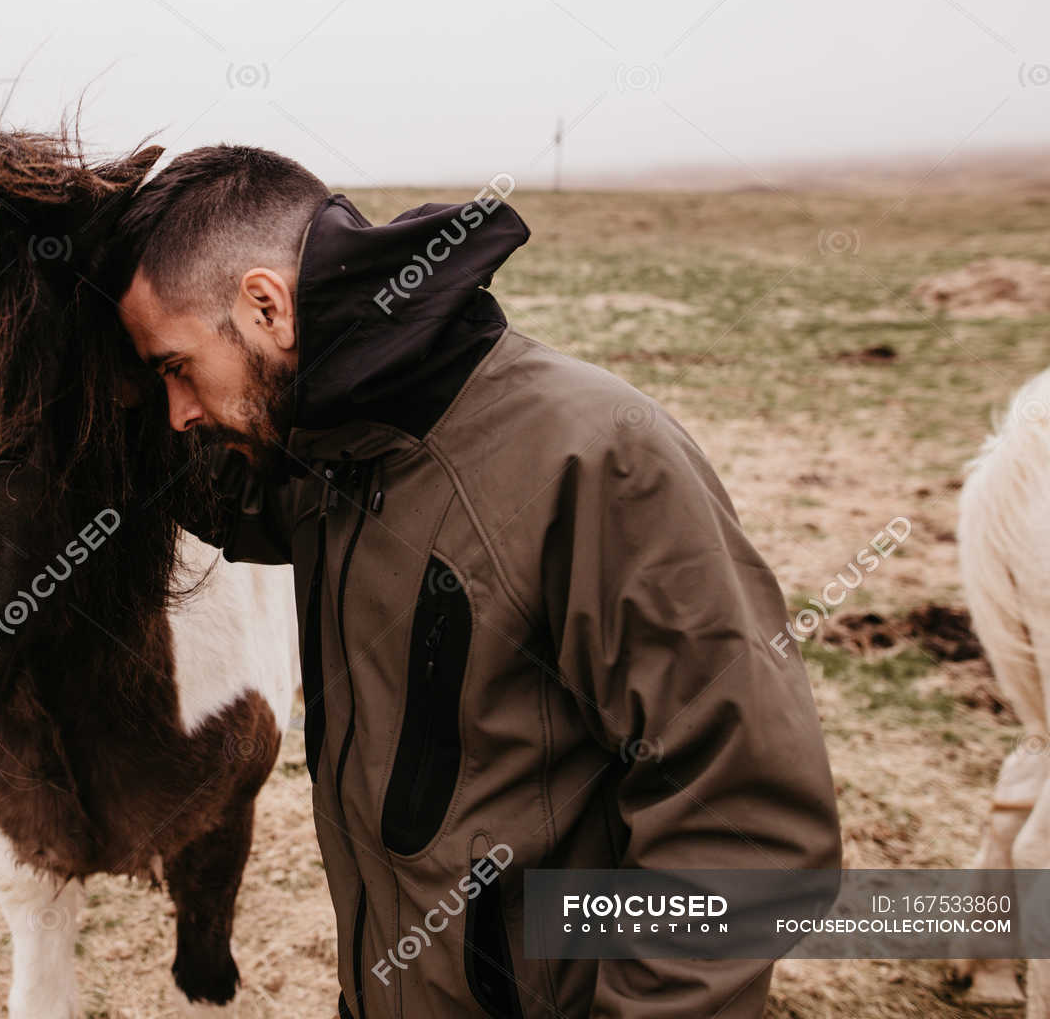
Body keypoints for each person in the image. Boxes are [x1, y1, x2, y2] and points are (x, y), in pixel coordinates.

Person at [107, 145, 842, 1018]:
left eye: (175, 367)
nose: (180, 413)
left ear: (267, 306)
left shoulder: (596, 458)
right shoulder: (330, 448)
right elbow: (217, 491)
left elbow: (746, 830)